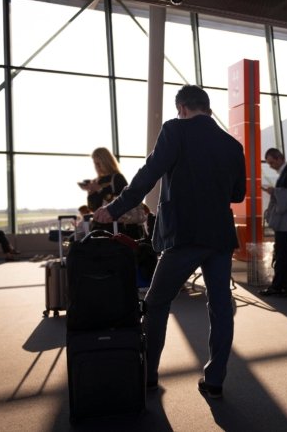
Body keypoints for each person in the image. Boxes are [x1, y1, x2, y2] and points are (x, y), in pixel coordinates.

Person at [93, 85, 246, 399]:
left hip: (184, 234)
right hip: (219, 236)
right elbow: (237, 195)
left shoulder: (176, 129)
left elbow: (149, 174)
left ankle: (148, 375)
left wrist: (114, 209)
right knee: (220, 307)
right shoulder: (232, 145)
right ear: (206, 107)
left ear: (184, 109)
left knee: (157, 302)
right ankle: (215, 380)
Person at [260, 148, 287, 296]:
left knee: (281, 252)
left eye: (272, 162)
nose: (271, 166)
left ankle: (278, 285)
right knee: (284, 252)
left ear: (280, 158)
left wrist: (274, 191)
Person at [79, 147, 143, 239]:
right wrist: (91, 192)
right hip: (101, 226)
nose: (97, 166)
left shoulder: (117, 178)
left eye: (99, 163)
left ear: (106, 162)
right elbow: (93, 208)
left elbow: (123, 200)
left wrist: (99, 190)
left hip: (118, 227)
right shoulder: (97, 181)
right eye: (95, 163)